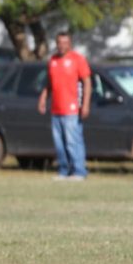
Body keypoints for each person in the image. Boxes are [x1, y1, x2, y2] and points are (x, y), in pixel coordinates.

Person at [38, 31, 92, 181]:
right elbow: (49, 83)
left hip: (72, 108)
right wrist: (43, 98)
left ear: (70, 44)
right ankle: (64, 170)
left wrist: (86, 104)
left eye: (65, 43)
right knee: (59, 143)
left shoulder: (78, 60)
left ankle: (79, 171)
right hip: (56, 108)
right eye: (59, 43)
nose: (62, 46)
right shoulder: (53, 60)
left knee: (72, 141)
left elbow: (87, 82)